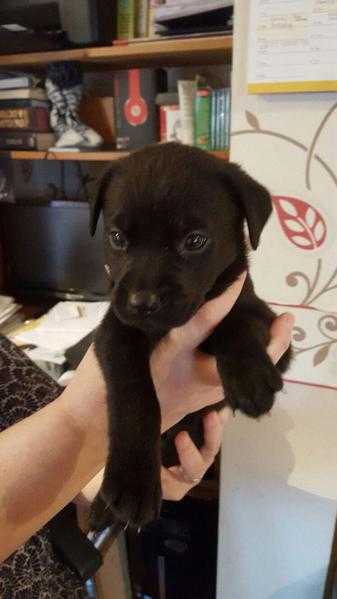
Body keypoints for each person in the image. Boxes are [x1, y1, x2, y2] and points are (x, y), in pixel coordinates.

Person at [0, 272, 294, 596]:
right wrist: (100, 426)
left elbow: (39, 446)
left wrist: (99, 477)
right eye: (119, 238)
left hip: (56, 573)